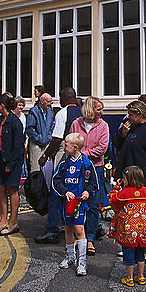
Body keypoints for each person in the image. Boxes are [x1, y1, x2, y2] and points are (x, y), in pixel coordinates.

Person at [35, 88, 82, 245]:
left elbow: (56, 139)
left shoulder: (63, 113)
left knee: (57, 190)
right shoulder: (82, 112)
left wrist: (45, 156)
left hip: (65, 152)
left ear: (64, 97)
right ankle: (79, 226)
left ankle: (53, 228)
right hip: (80, 154)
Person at [53, 132, 98, 276]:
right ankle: (70, 256)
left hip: (79, 203)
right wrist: (65, 191)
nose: (64, 147)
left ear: (75, 147)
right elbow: (56, 180)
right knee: (68, 229)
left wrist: (87, 192)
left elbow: (93, 183)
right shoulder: (64, 163)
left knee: (79, 230)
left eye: (66, 145)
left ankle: (82, 262)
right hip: (67, 203)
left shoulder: (86, 163)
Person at [109, 165, 146, 286]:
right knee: (140, 254)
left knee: (128, 253)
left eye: (124, 178)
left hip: (128, 231)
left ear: (129, 180)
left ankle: (130, 278)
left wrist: (116, 187)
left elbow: (112, 200)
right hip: (143, 230)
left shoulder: (123, 193)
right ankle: (141, 277)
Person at [71, 96, 109, 254]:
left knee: (93, 203)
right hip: (77, 168)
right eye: (98, 109)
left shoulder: (103, 126)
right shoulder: (76, 123)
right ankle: (79, 236)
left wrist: (83, 154)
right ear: (89, 109)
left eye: (101, 109)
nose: (101, 112)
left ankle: (90, 239)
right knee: (76, 202)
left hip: (96, 168)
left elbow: (102, 149)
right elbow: (71, 143)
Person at [0, 92, 26, 236]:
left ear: (2, 105)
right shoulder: (1, 120)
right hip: (3, 159)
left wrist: (10, 164)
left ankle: (13, 221)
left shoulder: (15, 121)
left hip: (13, 161)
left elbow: (18, 145)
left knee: (12, 189)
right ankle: (3, 219)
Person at [24, 91, 54, 173]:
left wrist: (48, 138)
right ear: (41, 101)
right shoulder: (33, 111)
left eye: (51, 102)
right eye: (48, 102)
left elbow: (51, 127)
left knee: (47, 169)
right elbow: (30, 129)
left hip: (46, 143)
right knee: (35, 168)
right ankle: (35, 185)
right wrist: (39, 139)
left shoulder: (50, 113)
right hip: (36, 143)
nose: (49, 104)